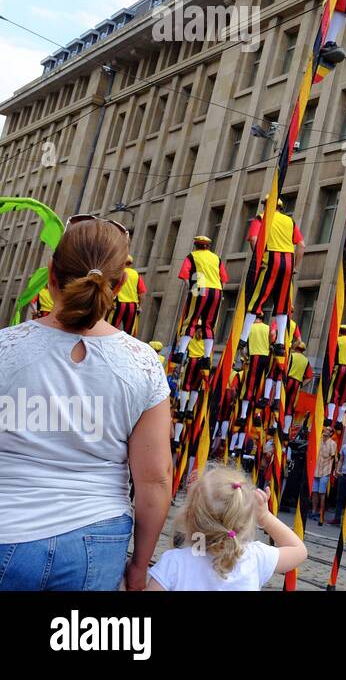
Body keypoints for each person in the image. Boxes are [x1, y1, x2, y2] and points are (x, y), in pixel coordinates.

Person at [0, 216, 171, 591]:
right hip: (97, 539)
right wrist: (140, 567)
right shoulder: (143, 364)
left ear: (50, 276)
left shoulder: (5, 349)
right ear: (122, 284)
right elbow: (154, 481)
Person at [146, 466, 306, 590]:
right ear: (247, 522)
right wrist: (265, 517)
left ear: (190, 516)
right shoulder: (256, 557)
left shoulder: (174, 563)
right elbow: (298, 550)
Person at [238, 197, 303, 359]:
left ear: (266, 206)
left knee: (257, 299)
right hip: (288, 261)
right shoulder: (290, 221)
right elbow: (302, 245)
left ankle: (243, 338)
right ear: (281, 207)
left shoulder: (261, 218)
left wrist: (258, 259)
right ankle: (281, 343)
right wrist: (295, 267)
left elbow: (253, 239)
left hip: (271, 258)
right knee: (282, 304)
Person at [174, 234, 227, 369]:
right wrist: (220, 294)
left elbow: (185, 275)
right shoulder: (216, 258)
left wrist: (191, 288)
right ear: (208, 246)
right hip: (216, 290)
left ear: (196, 245)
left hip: (199, 287)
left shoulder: (192, 256)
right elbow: (224, 278)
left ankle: (180, 352)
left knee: (191, 320)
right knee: (208, 325)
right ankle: (207, 357)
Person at [239, 311, 272, 428]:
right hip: (267, 358)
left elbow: (242, 347)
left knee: (250, 385)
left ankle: (243, 416)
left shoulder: (249, 327)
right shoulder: (268, 328)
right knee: (261, 386)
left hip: (255, 357)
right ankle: (257, 414)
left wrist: (245, 357)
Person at [282, 340, 312, 442]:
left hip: (287, 381)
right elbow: (309, 377)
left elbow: (284, 368)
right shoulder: (306, 361)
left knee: (281, 403)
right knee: (290, 407)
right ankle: (286, 431)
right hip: (297, 384)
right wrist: (301, 384)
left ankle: (275, 425)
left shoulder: (291, 356)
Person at [109, 253, 146, 336]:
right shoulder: (136, 274)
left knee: (110, 329)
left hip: (117, 304)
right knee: (129, 334)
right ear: (130, 264)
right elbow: (142, 293)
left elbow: (109, 289)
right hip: (132, 306)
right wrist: (140, 306)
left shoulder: (116, 273)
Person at [311, 424, 338, 526]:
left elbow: (333, 458)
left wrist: (335, 470)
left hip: (325, 471)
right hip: (316, 469)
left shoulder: (332, 444)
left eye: (328, 430)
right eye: (325, 429)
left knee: (322, 493)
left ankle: (321, 513)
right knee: (314, 492)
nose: (326, 430)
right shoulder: (319, 440)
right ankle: (313, 511)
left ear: (331, 433)